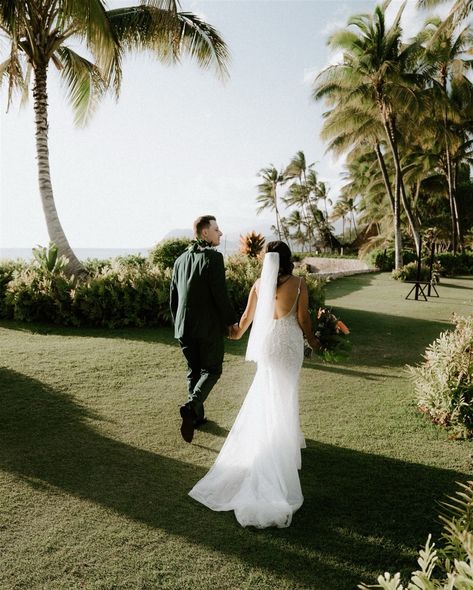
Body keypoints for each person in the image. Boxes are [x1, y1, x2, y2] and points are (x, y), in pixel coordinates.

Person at [188, 241, 320, 528]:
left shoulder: (259, 284)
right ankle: (280, 448)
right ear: (288, 259)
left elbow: (244, 321)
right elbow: (303, 318)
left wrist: (230, 333)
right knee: (284, 395)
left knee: (266, 394)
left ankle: (275, 441)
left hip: (268, 345)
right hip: (288, 345)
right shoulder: (298, 284)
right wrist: (315, 340)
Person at [170, 215, 238, 444]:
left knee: (193, 370)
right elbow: (220, 295)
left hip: (183, 328)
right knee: (212, 370)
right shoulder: (213, 258)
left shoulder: (179, 260)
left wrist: (178, 323)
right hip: (207, 329)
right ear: (205, 233)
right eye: (217, 229)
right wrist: (231, 321)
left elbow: (174, 299)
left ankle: (197, 418)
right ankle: (191, 408)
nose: (220, 233)